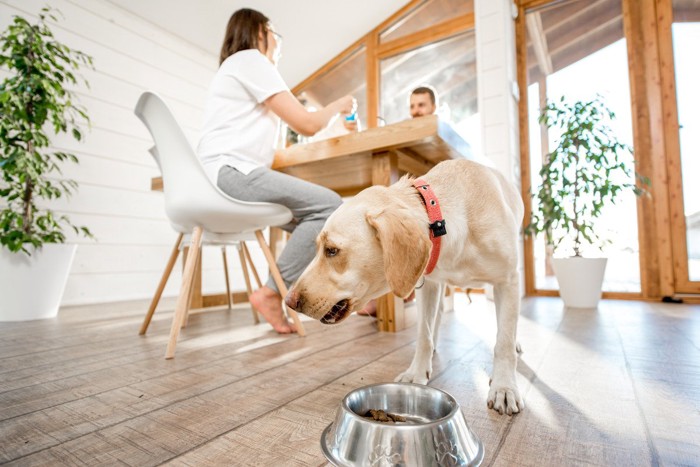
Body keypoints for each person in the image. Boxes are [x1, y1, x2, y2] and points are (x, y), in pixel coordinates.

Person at [197, 8, 356, 334]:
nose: (278, 44)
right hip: (232, 172)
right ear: (260, 33)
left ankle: (352, 293)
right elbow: (308, 124)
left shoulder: (235, 68)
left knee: (314, 222)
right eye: (276, 35)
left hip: (217, 176)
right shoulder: (252, 59)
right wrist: (338, 106)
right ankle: (272, 292)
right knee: (329, 207)